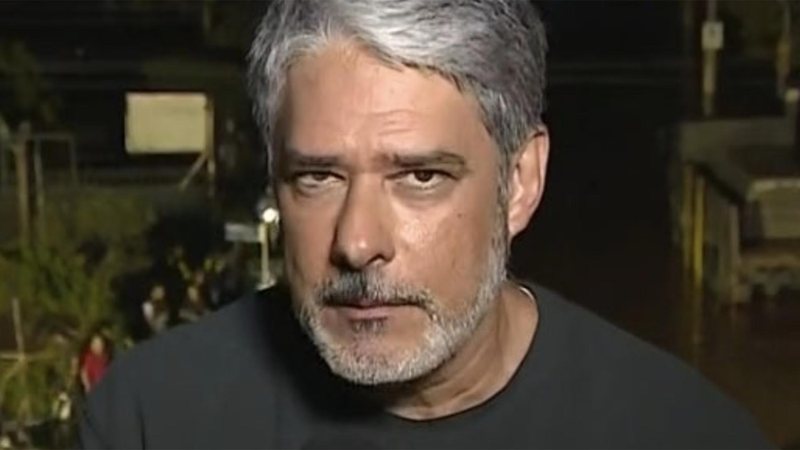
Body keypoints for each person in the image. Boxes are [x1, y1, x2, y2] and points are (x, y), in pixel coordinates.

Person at [79, 1, 771, 448]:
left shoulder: (684, 433)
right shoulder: (150, 420)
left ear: (520, 181)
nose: (357, 242)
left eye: (420, 177)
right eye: (317, 177)